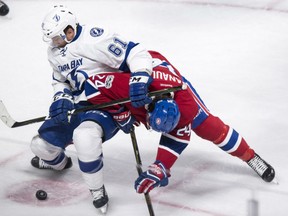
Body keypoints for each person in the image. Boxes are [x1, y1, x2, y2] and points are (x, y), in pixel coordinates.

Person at [85, 50, 275, 194]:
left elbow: (179, 138)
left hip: (174, 86)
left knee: (209, 127)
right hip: (142, 70)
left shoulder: (186, 106)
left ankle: (250, 156)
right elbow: (92, 85)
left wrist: (160, 166)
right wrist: (119, 112)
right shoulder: (128, 87)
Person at [30, 5, 154, 214]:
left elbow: (135, 52)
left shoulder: (95, 38)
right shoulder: (54, 52)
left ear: (69, 30)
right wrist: (62, 98)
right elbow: (60, 80)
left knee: (84, 138)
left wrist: (140, 77)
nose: (54, 43)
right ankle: (60, 164)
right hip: (78, 106)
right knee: (40, 146)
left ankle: (97, 191)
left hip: (107, 104)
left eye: (57, 37)